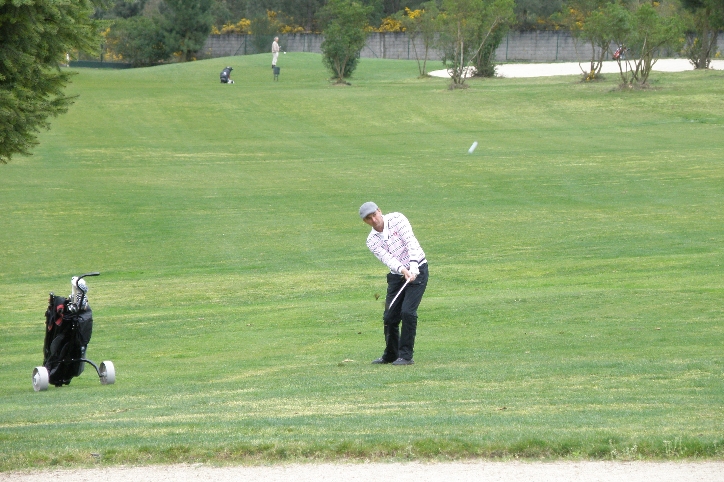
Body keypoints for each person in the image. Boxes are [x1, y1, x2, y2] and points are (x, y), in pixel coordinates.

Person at [359, 202, 428, 366]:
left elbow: (410, 242)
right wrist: (404, 270)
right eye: (369, 218)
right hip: (397, 275)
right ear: (365, 222)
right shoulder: (371, 241)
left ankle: (406, 356)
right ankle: (391, 354)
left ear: (379, 211)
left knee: (407, 312)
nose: (374, 220)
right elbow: (388, 259)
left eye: (374, 215)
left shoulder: (398, 219)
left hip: (418, 269)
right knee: (389, 316)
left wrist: (413, 266)